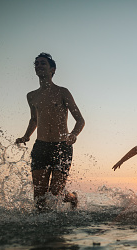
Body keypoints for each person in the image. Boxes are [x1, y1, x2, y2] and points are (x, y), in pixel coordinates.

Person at [16, 53, 85, 211]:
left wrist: (73, 134)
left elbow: (80, 120)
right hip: (40, 147)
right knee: (39, 198)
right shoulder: (32, 96)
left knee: (56, 193)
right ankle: (41, 233)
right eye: (37, 64)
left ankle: (72, 197)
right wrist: (26, 136)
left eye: (43, 64)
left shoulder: (62, 92)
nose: (39, 66)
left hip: (62, 146)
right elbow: (34, 120)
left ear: (52, 69)